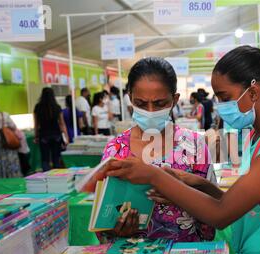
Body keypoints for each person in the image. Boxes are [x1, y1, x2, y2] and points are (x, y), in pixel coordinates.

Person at [103, 46, 260, 254]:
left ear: (254, 91)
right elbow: (236, 202)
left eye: (225, 97)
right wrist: (199, 184)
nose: (220, 106)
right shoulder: (259, 138)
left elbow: (221, 214)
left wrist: (153, 175)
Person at [88, 57, 215, 243]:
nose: (150, 111)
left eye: (160, 104)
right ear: (130, 98)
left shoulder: (194, 145)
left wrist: (182, 196)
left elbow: (215, 210)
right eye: (140, 103)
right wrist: (116, 230)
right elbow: (103, 216)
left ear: (175, 99)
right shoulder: (115, 149)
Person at [34, 87, 69, 172]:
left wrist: (36, 136)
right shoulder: (57, 107)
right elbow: (62, 123)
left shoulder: (38, 107)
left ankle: (46, 177)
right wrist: (66, 137)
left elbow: (36, 124)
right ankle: (56, 178)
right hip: (56, 135)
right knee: (56, 158)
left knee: (45, 159)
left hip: (44, 135)